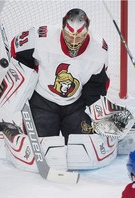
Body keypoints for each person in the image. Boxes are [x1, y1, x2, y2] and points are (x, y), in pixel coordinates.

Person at [10, 8, 110, 144]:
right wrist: (23, 78)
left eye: (79, 36)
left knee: (83, 147)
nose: (74, 41)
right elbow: (17, 50)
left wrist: (98, 114)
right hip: (42, 101)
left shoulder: (99, 51)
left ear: (87, 32)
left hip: (76, 105)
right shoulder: (41, 37)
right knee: (43, 146)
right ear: (62, 28)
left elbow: (96, 86)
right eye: (69, 35)